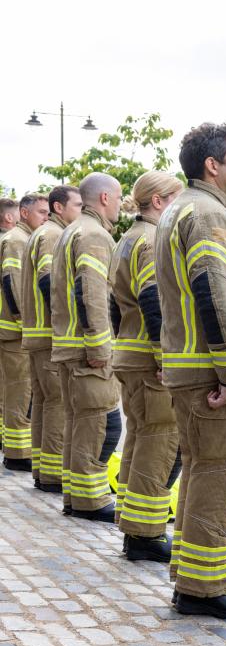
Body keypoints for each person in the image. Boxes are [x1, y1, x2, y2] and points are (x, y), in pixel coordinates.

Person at [155, 122, 226, 621]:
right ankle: (204, 588)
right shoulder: (209, 216)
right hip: (212, 374)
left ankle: (194, 579)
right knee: (224, 474)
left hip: (190, 368)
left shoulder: (180, 208)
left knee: (204, 473)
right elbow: (212, 292)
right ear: (212, 166)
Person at [110, 171, 183, 563]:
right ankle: (145, 535)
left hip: (130, 352)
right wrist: (163, 357)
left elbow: (115, 302)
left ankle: (133, 524)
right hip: (148, 359)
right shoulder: (153, 239)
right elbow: (153, 298)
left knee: (140, 439)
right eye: (176, 198)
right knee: (159, 443)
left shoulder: (127, 239)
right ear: (158, 201)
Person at [50, 173, 124, 522]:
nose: (123, 205)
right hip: (86, 350)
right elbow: (92, 292)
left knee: (80, 423)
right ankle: (89, 502)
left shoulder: (72, 230)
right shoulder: (94, 235)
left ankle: (75, 496)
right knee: (99, 424)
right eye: (120, 198)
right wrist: (99, 346)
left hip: (69, 345)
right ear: (106, 198)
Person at [22, 185, 80, 494]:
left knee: (45, 402)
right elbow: (48, 281)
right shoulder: (53, 235)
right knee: (57, 403)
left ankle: (44, 471)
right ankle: (53, 474)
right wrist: (64, 320)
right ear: (61, 208)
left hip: (37, 334)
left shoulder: (41, 233)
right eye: (77, 205)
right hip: (49, 334)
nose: (81, 211)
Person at [0, 193, 48, 471]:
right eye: (41, 212)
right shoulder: (17, 240)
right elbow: (11, 282)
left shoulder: (15, 239)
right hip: (14, 332)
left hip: (10, 330)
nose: (45, 218)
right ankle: (18, 454)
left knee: (13, 391)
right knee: (20, 393)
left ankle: (15, 448)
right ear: (22, 213)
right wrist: (22, 320)